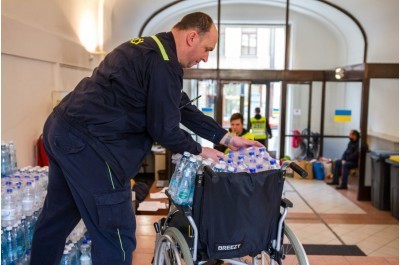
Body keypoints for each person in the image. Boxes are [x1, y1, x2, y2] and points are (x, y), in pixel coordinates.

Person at [30, 12, 263, 265]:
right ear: (192, 37)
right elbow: (164, 128)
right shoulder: (163, 62)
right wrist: (201, 150)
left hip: (60, 130)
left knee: (56, 220)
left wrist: (226, 138)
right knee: (116, 235)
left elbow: (180, 106)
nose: (205, 58)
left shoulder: (150, 49)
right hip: (92, 147)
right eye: (207, 49)